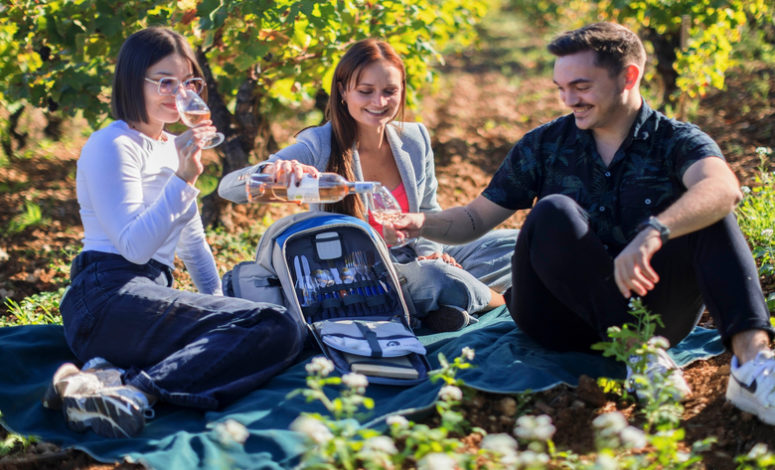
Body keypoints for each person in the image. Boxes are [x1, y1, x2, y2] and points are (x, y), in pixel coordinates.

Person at [390, 22, 775, 424]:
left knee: (710, 211)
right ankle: (640, 354)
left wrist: (654, 231)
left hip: (655, 311)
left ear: (629, 76)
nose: (569, 99)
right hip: (559, 317)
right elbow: (474, 219)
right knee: (553, 210)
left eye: (581, 86)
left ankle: (753, 367)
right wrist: (416, 222)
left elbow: (723, 187)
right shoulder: (546, 144)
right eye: (561, 88)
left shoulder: (676, 141)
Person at [43, 27, 306, 438]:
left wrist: (224, 313)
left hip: (145, 295)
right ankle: (134, 395)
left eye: (189, 83)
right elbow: (133, 248)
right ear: (134, 80)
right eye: (165, 81)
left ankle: (97, 380)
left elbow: (194, 245)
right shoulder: (111, 145)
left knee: (275, 326)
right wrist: (183, 179)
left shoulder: (172, 148)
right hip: (106, 296)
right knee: (273, 324)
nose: (179, 93)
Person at [218, 38, 518, 332]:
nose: (379, 102)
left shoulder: (414, 139)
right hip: (355, 277)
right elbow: (228, 188)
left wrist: (430, 252)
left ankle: (437, 307)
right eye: (366, 91)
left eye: (390, 91)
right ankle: (497, 301)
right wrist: (272, 171)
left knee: (513, 244)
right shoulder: (319, 145)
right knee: (438, 279)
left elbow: (427, 209)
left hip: (412, 259)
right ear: (343, 91)